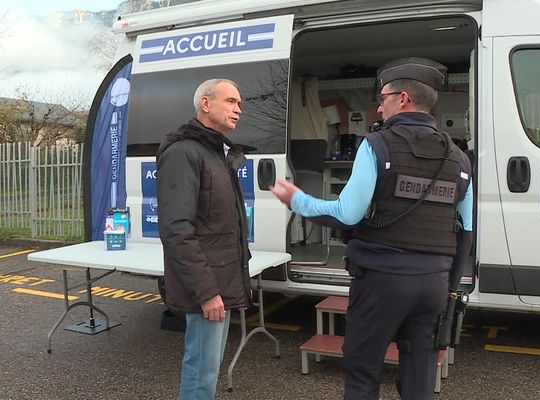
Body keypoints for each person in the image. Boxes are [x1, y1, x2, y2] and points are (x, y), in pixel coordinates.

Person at [271, 57, 473, 400]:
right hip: (434, 284)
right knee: (421, 375)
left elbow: (348, 214)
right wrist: (451, 289)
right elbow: (465, 230)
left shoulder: (376, 145)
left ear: (403, 98)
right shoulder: (459, 158)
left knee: (363, 371)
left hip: (382, 280)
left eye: (383, 99)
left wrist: (299, 202)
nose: (379, 109)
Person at [156, 78, 251, 400]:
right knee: (202, 370)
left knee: (208, 369)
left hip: (220, 279)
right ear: (206, 104)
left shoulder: (217, 153)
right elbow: (176, 229)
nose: (238, 109)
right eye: (230, 101)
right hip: (207, 286)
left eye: (239, 103)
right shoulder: (184, 153)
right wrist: (208, 292)